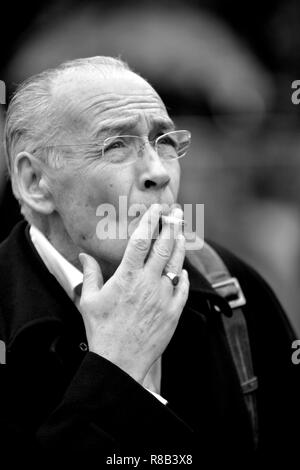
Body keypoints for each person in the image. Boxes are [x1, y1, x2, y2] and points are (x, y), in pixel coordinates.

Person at [0, 56, 298, 467]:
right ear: (36, 183)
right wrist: (116, 368)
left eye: (165, 142)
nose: (157, 172)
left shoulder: (230, 287)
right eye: (116, 145)